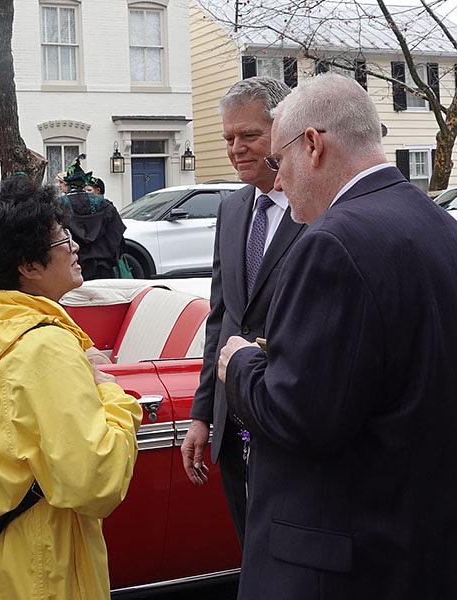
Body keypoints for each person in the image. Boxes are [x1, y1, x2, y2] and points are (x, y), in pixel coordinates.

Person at [218, 74, 457, 599]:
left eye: (278, 161)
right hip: (443, 544)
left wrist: (241, 365)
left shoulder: (333, 243)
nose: (280, 182)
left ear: (312, 145)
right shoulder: (440, 224)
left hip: (361, 559)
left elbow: (301, 415)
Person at [0, 176, 141, 599]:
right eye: (62, 237)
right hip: (35, 570)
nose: (76, 245)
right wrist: (110, 393)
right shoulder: (46, 346)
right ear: (29, 266)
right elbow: (93, 481)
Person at [179, 77, 305, 543]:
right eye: (228, 138)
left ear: (284, 129)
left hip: (289, 424)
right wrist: (203, 413)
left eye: (249, 135)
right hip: (232, 429)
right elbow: (222, 318)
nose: (236, 149)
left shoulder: (319, 212)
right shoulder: (233, 209)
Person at [59, 158, 127, 280]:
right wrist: (109, 256)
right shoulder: (105, 205)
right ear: (84, 183)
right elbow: (117, 234)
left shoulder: (59, 206)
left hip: (71, 268)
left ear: (68, 184)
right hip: (103, 266)